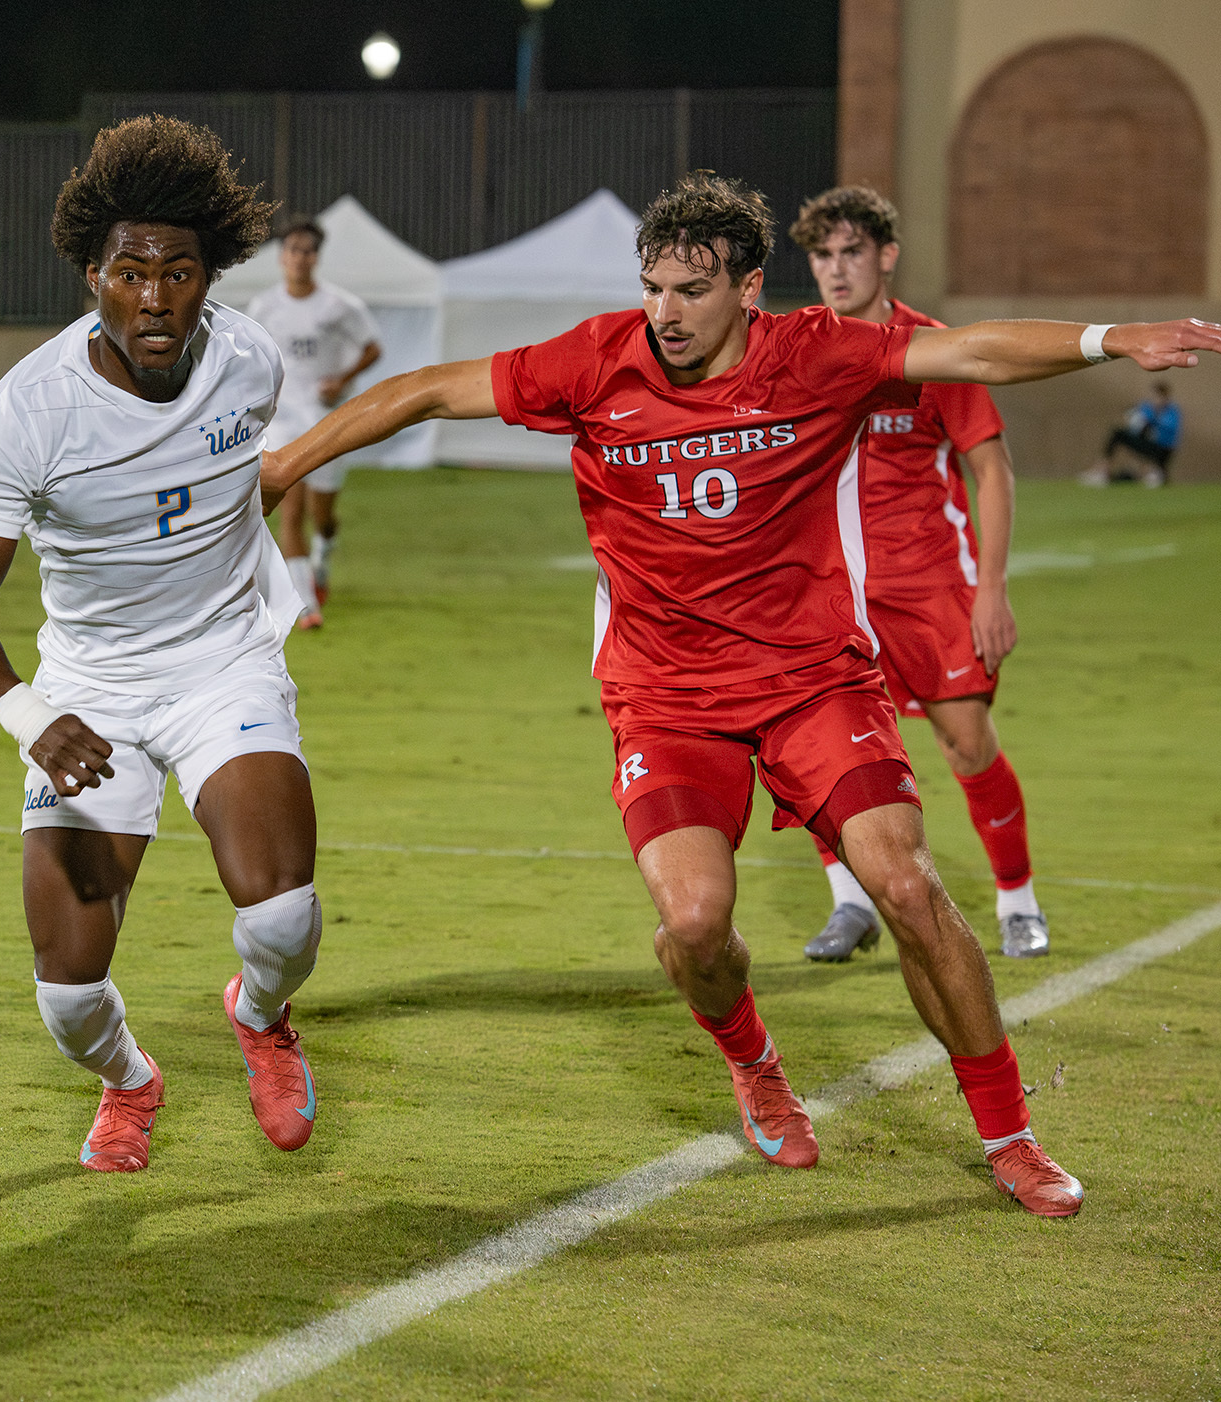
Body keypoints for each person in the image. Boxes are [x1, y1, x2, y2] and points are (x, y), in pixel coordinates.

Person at [264, 170, 1219, 1218]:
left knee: (906, 885)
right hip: (666, 699)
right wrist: (282, 468)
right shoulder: (596, 360)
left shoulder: (815, 353)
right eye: (653, 289)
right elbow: (424, 391)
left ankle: (1012, 1136)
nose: (665, 313)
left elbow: (976, 351)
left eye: (691, 291)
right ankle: (756, 1063)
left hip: (814, 681)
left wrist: (1110, 339)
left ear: (749, 288)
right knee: (694, 923)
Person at [0, 116, 322, 1173]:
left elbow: (245, 482)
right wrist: (30, 715)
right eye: (131, 273)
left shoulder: (249, 359)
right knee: (67, 997)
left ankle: (261, 1015)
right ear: (92, 277)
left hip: (223, 665)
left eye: (179, 273)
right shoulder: (31, 409)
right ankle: (131, 1080)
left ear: (210, 279)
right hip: (88, 693)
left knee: (285, 917)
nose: (155, 298)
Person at [789, 186, 1048, 962]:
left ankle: (1018, 902)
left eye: (852, 252)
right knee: (819, 750)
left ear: (887, 256)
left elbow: (992, 471)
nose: (837, 269)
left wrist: (991, 590)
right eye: (823, 255)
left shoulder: (935, 350)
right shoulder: (798, 350)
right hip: (830, 588)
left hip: (929, 583)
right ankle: (850, 903)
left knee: (967, 743)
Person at [245, 217, 381, 628]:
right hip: (283, 420)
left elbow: (372, 348)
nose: (299, 258)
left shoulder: (339, 306)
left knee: (323, 515)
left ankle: (325, 548)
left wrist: (341, 379)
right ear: (282, 256)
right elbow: (252, 357)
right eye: (293, 250)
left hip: (327, 419)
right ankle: (305, 603)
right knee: (290, 511)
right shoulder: (263, 307)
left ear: (316, 258)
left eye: (307, 251)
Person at [1083, 382, 1181, 487]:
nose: (1154, 399)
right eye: (1153, 396)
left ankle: (1154, 472)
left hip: (1162, 449)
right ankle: (1102, 471)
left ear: (1165, 397)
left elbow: (1168, 432)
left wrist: (1151, 422)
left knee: (1159, 474)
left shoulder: (1172, 412)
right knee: (1118, 434)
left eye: (1157, 396)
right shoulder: (1147, 407)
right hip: (1147, 444)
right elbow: (1135, 416)